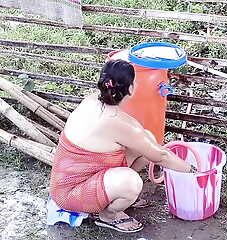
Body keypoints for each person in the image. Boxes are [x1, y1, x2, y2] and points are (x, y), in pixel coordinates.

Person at [49, 59, 197, 233]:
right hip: (70, 193)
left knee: (147, 140)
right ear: (132, 88)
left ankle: (114, 195)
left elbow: (140, 137)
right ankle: (108, 215)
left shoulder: (92, 101)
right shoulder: (112, 121)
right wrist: (192, 170)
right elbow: (161, 156)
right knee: (131, 182)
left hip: (79, 176)